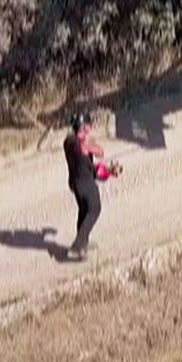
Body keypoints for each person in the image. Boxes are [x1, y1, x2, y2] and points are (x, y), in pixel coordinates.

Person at [61, 109, 121, 261]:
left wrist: (104, 170)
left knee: (84, 211)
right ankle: (77, 247)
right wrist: (90, 142)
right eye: (89, 124)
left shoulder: (68, 141)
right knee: (94, 210)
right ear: (83, 126)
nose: (91, 126)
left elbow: (83, 162)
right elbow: (99, 152)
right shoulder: (82, 142)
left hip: (76, 182)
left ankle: (83, 242)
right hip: (85, 183)